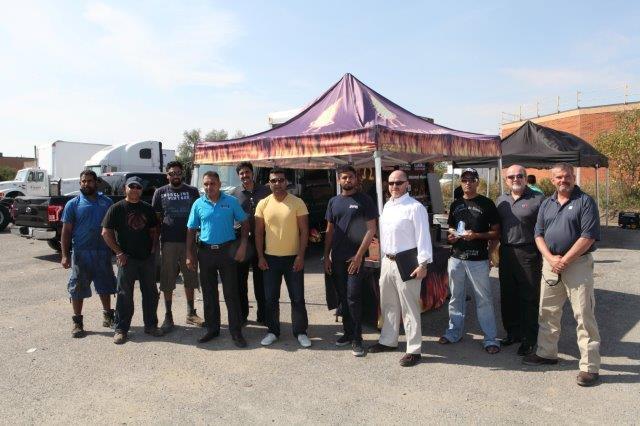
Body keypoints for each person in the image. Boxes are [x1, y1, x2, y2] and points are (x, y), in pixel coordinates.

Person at [523, 163, 602, 387]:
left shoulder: (585, 202)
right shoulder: (547, 203)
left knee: (584, 314)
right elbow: (538, 234)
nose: (563, 180)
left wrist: (564, 260)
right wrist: (550, 259)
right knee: (547, 311)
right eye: (558, 177)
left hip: (577, 264)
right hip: (551, 264)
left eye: (567, 176)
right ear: (552, 180)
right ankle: (546, 353)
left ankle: (589, 367)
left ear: (573, 177)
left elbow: (588, 236)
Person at [368, 170, 432, 367]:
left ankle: (414, 349)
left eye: (398, 183)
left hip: (408, 262)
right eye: (391, 183)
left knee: (409, 307)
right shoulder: (387, 206)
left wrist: (423, 264)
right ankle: (388, 340)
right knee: (388, 303)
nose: (394, 186)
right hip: (387, 261)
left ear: (407, 184)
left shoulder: (415, 208)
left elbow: (423, 237)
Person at [440, 168, 501, 354]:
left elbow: (496, 232)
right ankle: (454, 332)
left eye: (471, 179)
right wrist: (451, 237)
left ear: (477, 182)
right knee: (456, 298)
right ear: (461, 182)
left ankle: (490, 339)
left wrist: (476, 236)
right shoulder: (455, 204)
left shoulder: (487, 204)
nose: (468, 183)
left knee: (484, 299)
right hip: (456, 258)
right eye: (464, 179)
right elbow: (451, 228)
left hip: (478, 259)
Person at [186, 171, 249, 348]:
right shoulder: (198, 203)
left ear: (219, 184)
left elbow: (245, 223)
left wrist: (243, 245)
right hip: (205, 252)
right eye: (206, 184)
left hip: (227, 252)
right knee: (209, 293)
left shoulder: (231, 201)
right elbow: (191, 229)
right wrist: (189, 254)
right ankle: (212, 329)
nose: (209, 187)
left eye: (212, 183)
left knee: (231, 293)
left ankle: (236, 332)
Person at [324, 165, 378, 357]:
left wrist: (358, 256)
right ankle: (347, 333)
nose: (347, 180)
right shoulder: (333, 202)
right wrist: (326, 256)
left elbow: (371, 229)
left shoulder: (365, 200)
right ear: (339, 180)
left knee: (353, 298)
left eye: (351, 177)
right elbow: (329, 231)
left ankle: (357, 339)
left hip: (355, 259)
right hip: (337, 259)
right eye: (344, 177)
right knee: (343, 298)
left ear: (356, 179)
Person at [255, 168, 311, 348]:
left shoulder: (297, 202)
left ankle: (300, 332)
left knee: (297, 298)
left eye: (280, 180)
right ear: (269, 183)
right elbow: (258, 233)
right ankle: (273, 331)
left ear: (286, 182)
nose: (277, 183)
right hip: (270, 259)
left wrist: (301, 256)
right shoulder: (263, 204)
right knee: (270, 299)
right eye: (274, 180)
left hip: (293, 258)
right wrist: (260, 256)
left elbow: (304, 231)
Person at [102, 176, 162, 344]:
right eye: (132, 186)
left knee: (150, 293)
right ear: (125, 189)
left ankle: (151, 325)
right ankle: (121, 329)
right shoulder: (116, 208)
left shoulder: (147, 208)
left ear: (141, 190)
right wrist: (118, 252)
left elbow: (154, 230)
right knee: (124, 295)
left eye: (138, 187)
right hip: (126, 259)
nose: (135, 189)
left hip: (146, 259)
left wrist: (153, 249)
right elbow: (106, 233)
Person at [61, 170, 116, 338]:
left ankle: (108, 316)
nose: (86, 184)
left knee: (106, 285)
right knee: (77, 287)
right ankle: (77, 322)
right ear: (80, 183)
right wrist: (64, 255)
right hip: (81, 253)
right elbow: (66, 231)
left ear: (96, 182)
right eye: (83, 181)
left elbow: (113, 228)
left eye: (89, 181)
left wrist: (117, 250)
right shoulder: (73, 204)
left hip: (103, 252)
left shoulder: (107, 202)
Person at [495, 165, 544, 356]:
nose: (515, 179)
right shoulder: (501, 200)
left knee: (529, 297)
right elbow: (497, 228)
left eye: (519, 176)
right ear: (506, 180)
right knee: (508, 295)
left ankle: (529, 339)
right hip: (506, 252)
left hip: (528, 252)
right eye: (511, 177)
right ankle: (512, 333)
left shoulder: (538, 199)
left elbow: (545, 228)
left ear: (525, 177)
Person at [152, 161, 204, 332]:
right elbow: (156, 221)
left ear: (182, 174)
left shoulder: (192, 191)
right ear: (167, 175)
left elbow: (199, 216)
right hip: (168, 242)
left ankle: (191, 313)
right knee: (167, 279)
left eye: (178, 173)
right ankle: (168, 316)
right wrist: (155, 243)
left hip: (189, 242)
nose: (175, 176)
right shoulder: (160, 192)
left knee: (190, 277)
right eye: (172, 173)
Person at [231, 162, 271, 325]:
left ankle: (264, 315)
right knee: (240, 280)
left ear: (252, 173)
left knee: (261, 280)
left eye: (247, 172)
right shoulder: (234, 193)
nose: (244, 175)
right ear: (238, 176)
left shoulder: (266, 191)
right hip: (241, 241)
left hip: (262, 240)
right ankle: (243, 315)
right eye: (241, 173)